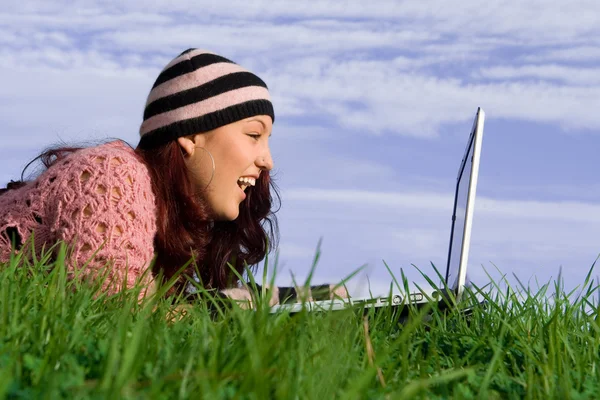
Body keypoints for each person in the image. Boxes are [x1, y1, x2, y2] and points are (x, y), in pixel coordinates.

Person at [0, 48, 347, 307]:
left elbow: (186, 308)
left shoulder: (169, 219)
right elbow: (117, 306)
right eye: (254, 135)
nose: (267, 160)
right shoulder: (112, 175)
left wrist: (317, 297)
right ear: (191, 136)